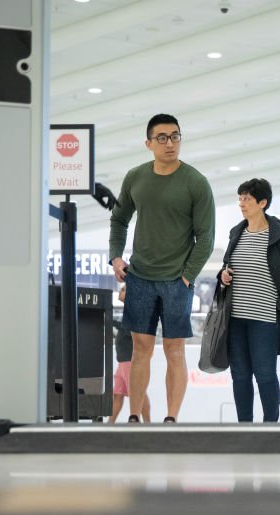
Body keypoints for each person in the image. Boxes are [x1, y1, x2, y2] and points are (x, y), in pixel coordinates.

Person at [109, 114, 216, 423]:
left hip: (176, 281)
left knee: (175, 350)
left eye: (175, 136)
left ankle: (171, 418)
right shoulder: (135, 177)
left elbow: (206, 238)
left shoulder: (196, 182)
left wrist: (187, 276)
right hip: (140, 277)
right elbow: (119, 219)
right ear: (149, 143)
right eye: (163, 138)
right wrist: (116, 257)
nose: (170, 143)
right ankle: (134, 417)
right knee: (140, 350)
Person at [218, 178, 280, 422]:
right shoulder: (236, 233)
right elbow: (227, 266)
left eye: (247, 199)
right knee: (240, 375)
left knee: (265, 375)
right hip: (235, 318)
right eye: (240, 199)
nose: (241, 204)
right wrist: (224, 275)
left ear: (263, 203)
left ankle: (270, 427)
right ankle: (244, 427)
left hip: (265, 319)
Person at [109, 286, 151, 424]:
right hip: (122, 361)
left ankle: (148, 424)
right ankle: (110, 424)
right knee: (118, 395)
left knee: (138, 392)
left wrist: (112, 323)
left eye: (124, 290)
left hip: (130, 360)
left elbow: (131, 331)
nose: (120, 292)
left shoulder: (136, 310)